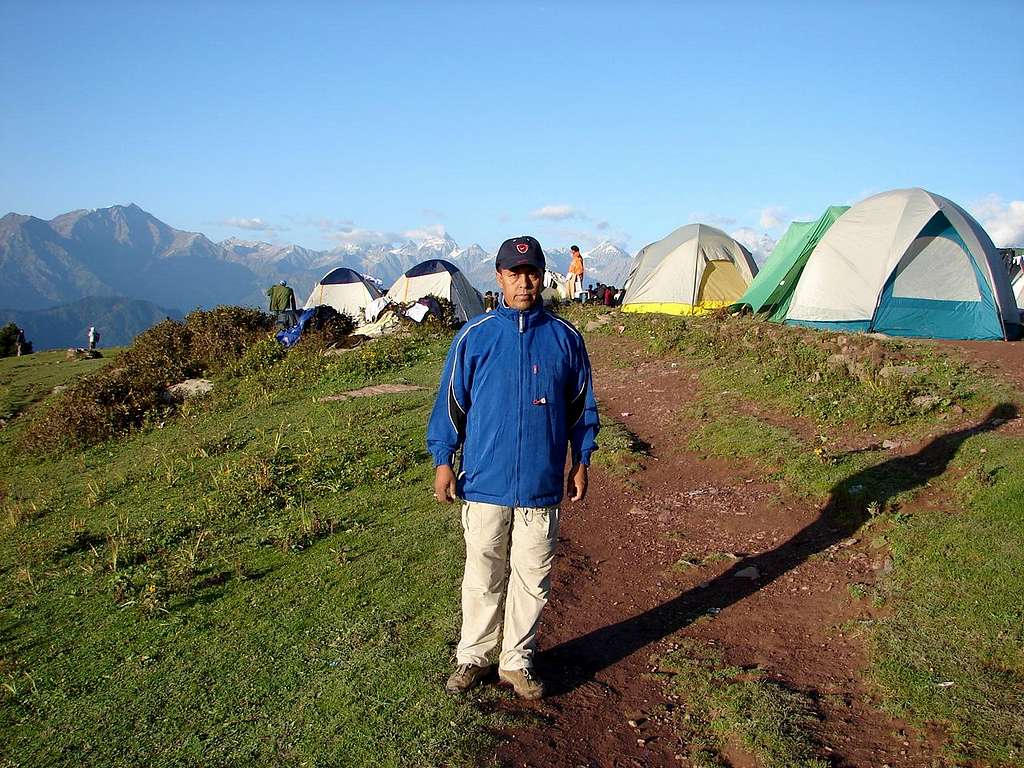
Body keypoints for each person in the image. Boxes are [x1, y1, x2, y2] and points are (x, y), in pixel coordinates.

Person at [428, 235, 599, 701]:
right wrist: (444, 459)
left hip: (541, 484)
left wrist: (581, 461)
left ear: (543, 275)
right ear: (499, 277)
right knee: (482, 573)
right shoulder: (474, 337)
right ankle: (475, 656)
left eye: (532, 272)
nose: (524, 282)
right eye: (514, 273)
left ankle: (517, 661)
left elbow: (581, 409)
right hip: (484, 481)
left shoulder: (565, 339)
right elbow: (451, 404)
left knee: (532, 576)